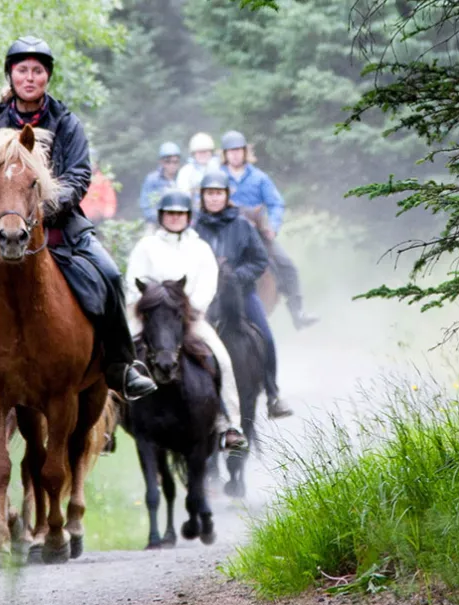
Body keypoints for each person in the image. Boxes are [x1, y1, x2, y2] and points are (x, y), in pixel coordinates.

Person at [0, 36, 158, 400]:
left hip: (61, 224)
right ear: (10, 74)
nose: (29, 77)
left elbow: (78, 176)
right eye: (22, 70)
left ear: (47, 77)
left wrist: (40, 208)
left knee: (111, 276)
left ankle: (120, 368)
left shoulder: (66, 123)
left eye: (37, 71)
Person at [124, 191, 247, 450]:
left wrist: (191, 309)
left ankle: (230, 425)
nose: (175, 218)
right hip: (150, 317)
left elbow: (207, 284)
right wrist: (149, 307)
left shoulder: (200, 248)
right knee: (117, 353)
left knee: (222, 358)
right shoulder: (146, 246)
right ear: (162, 216)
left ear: (188, 217)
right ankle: (107, 421)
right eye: (170, 214)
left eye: (180, 214)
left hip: (189, 318)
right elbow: (133, 280)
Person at [193, 169, 291, 418]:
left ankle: (272, 394)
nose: (214, 199)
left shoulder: (242, 225)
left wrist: (236, 277)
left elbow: (259, 260)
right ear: (202, 197)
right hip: (204, 297)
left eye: (218, 193)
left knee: (265, 337)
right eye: (209, 194)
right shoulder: (194, 228)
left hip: (241, 295)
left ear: (227, 196)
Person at [219, 130, 319, 330]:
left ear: (245, 152)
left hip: (256, 233)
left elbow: (276, 203)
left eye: (239, 150)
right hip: (226, 233)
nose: (235, 155)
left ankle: (297, 312)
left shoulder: (259, 178)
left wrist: (272, 227)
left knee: (286, 264)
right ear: (225, 154)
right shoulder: (218, 177)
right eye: (231, 151)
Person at [138, 142, 184, 225]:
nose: (172, 165)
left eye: (175, 162)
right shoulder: (152, 179)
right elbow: (146, 204)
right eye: (168, 162)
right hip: (157, 221)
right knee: (148, 236)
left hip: (180, 219)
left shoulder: (183, 177)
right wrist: (160, 219)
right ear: (161, 162)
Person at [78, 147, 118, 220]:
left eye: (93, 163)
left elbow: (110, 200)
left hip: (98, 218)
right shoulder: (77, 179)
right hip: (80, 219)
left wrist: (108, 214)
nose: (91, 165)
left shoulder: (103, 180)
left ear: (97, 164)